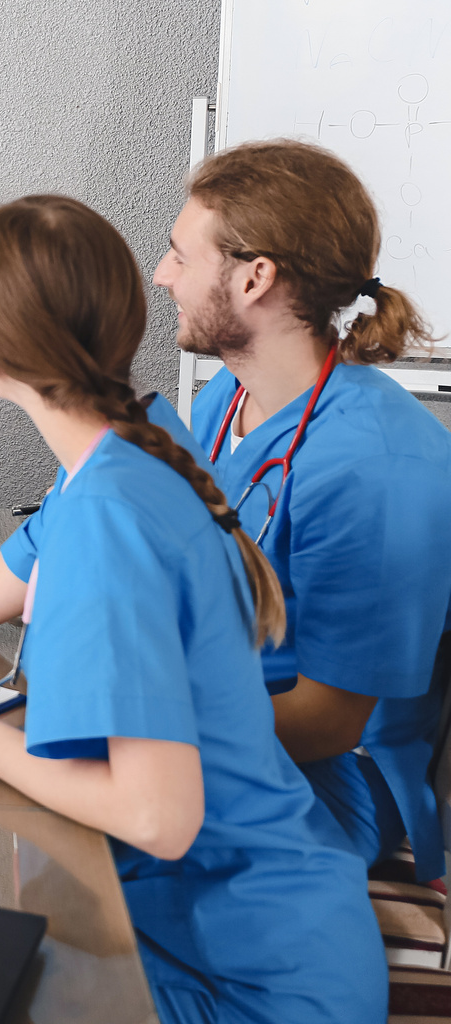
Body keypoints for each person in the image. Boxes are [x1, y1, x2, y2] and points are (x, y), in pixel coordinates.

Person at [0, 195, 384, 1022]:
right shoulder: (129, 448)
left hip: (254, 985)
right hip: (251, 922)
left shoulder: (109, 511)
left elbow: (158, 817)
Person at [157, 139, 451, 884]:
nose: (162, 277)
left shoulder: (379, 464)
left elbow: (330, 719)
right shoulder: (223, 402)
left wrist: (149, 725)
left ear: (255, 278)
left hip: (336, 779)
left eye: (180, 258)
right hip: (221, 714)